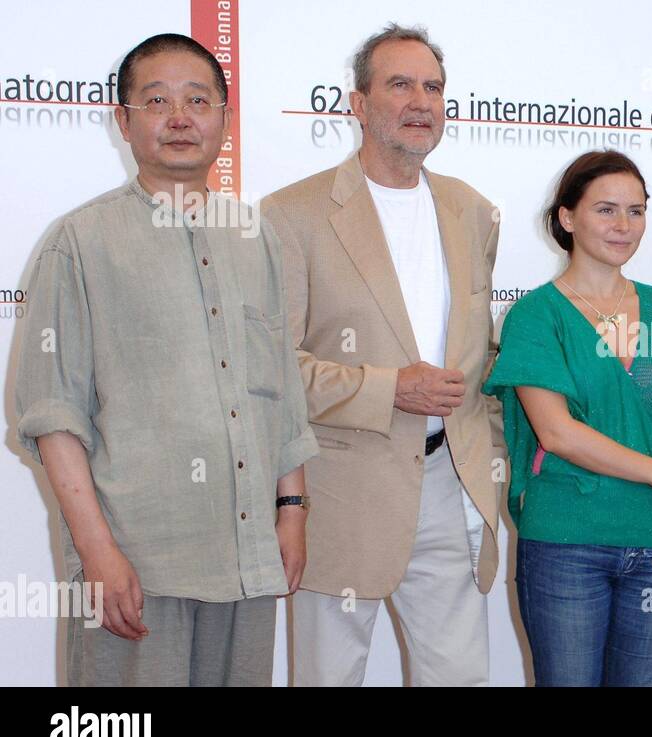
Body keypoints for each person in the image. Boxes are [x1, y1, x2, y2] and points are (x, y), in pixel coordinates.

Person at [14, 33, 317, 686]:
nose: (180, 117)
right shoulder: (80, 241)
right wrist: (97, 552)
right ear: (123, 121)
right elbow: (52, 412)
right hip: (137, 562)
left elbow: (282, 390)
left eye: (198, 100)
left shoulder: (255, 235)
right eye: (156, 101)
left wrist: (291, 513)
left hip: (246, 559)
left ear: (224, 120)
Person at [260, 24, 503, 686]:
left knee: (459, 677)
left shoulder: (473, 211)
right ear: (358, 104)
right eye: (400, 84)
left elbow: (482, 360)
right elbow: (270, 369)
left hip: (451, 489)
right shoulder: (291, 215)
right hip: (338, 495)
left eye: (433, 87)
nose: (421, 101)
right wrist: (387, 388)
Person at [483, 150, 652, 686]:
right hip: (568, 544)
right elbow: (557, 433)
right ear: (567, 217)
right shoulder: (536, 314)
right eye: (606, 209)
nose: (623, 226)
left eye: (636, 211)